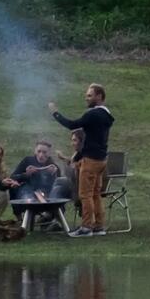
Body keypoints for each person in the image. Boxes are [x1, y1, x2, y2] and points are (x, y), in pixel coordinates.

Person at [50, 82, 114, 235]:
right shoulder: (106, 114)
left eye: (90, 95)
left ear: (99, 96)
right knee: (96, 194)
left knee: (85, 194)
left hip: (91, 160)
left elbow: (73, 125)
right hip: (101, 160)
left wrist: (55, 113)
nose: (86, 98)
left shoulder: (92, 114)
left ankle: (86, 227)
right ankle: (99, 226)